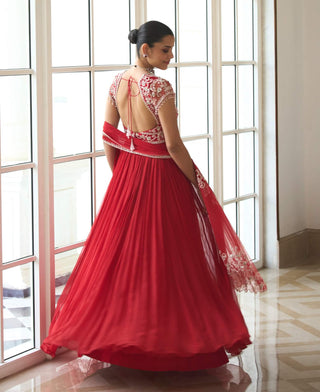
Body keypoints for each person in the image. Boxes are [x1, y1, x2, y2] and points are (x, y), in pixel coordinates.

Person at [41, 20, 266, 372]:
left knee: (131, 257)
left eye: (172, 49)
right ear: (145, 50)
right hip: (162, 175)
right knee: (173, 256)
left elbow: (108, 135)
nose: (170, 56)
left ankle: (129, 340)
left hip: (130, 174)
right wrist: (196, 182)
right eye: (165, 49)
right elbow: (173, 145)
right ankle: (172, 342)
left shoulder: (117, 83)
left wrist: (122, 176)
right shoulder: (159, 87)